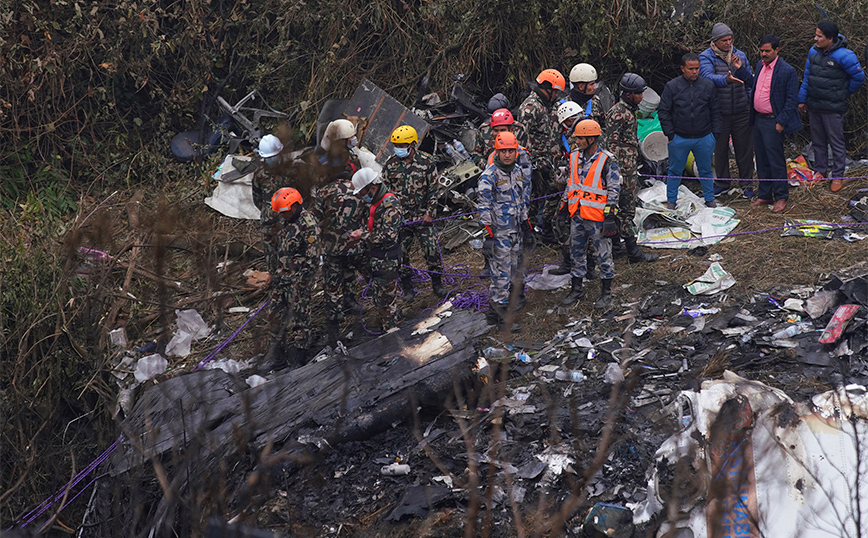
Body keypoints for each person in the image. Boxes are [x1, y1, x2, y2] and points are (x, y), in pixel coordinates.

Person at [559, 120, 620, 311]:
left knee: (603, 254)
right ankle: (577, 289)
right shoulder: (574, 156)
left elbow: (614, 189)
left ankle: (606, 293)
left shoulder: (607, 160)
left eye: (580, 138)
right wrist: (562, 208)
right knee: (576, 251)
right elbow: (571, 183)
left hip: (597, 217)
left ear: (592, 138)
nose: (577, 141)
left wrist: (610, 216)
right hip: (577, 213)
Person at [798, 20, 865, 191]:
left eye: (819, 36)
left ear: (830, 38)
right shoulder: (813, 52)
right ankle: (820, 171)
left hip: (834, 109)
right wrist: (802, 99)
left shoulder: (845, 55)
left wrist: (841, 93)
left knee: (836, 143)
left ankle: (837, 175)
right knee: (818, 142)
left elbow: (858, 78)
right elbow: (807, 77)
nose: (815, 39)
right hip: (815, 106)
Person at [477, 131, 533, 332]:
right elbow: (483, 206)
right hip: (499, 233)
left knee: (512, 271)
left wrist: (527, 226)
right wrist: (488, 235)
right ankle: (502, 320)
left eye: (511, 151)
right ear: (497, 152)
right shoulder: (489, 175)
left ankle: (493, 313)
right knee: (500, 275)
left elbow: (520, 199)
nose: (507, 155)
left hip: (515, 230)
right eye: (503, 151)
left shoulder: (517, 171)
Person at [381, 125, 445, 299]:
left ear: (413, 145)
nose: (399, 149)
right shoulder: (389, 165)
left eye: (403, 146)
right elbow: (386, 193)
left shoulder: (426, 161)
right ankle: (407, 287)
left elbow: (434, 189)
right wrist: (393, 216)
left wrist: (430, 213)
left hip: (423, 215)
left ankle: (437, 283)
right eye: (397, 146)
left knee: (431, 251)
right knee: (400, 254)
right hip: (402, 219)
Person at [603, 73, 658, 263]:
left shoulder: (628, 111)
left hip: (629, 167)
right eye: (638, 94)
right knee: (626, 210)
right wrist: (614, 171)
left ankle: (617, 246)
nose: (642, 97)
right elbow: (611, 144)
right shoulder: (618, 113)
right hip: (622, 171)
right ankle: (632, 251)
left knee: (625, 208)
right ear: (628, 94)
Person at [263, 188, 321, 369]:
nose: (283, 215)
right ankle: (277, 358)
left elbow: (312, 259)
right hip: (281, 279)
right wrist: (273, 273)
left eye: (285, 211)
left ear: (295, 206)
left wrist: (301, 282)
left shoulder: (308, 224)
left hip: (298, 281)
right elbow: (277, 250)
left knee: (300, 319)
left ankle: (299, 357)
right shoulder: (284, 223)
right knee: (273, 315)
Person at [310, 169, 366, 346]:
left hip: (333, 249)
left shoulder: (323, 193)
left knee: (332, 289)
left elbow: (315, 221)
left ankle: (334, 332)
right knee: (368, 276)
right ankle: (385, 315)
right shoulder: (358, 188)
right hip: (356, 245)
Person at [699, 22, 755, 198]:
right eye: (724, 40)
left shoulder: (740, 56)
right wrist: (726, 79)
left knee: (744, 148)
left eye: (730, 39)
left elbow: (749, 79)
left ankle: (747, 184)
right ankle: (722, 182)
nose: (728, 43)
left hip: (740, 110)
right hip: (719, 112)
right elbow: (707, 77)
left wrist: (749, 101)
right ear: (715, 41)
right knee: (720, 149)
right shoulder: (706, 57)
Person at [658, 52, 721, 209]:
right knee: (674, 171)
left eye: (697, 68)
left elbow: (716, 110)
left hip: (704, 136)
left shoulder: (708, 85)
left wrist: (715, 134)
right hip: (679, 137)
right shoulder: (672, 86)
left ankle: (709, 198)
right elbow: (663, 111)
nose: (694, 72)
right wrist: (670, 134)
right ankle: (671, 200)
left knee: (706, 170)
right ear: (682, 68)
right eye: (691, 69)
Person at [750, 35, 802, 213]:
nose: (763, 54)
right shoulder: (759, 66)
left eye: (767, 51)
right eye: (761, 50)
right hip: (758, 119)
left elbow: (790, 100)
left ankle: (781, 196)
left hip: (773, 122)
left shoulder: (787, 71)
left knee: (776, 160)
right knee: (761, 159)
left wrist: (781, 122)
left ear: (777, 50)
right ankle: (765, 194)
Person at [349, 169, 403, 332]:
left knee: (386, 302)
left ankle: (392, 334)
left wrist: (363, 235)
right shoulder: (373, 203)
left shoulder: (390, 204)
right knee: (380, 299)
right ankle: (389, 322)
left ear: (372, 188)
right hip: (376, 259)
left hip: (387, 260)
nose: (361, 196)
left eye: (363, 192)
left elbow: (389, 235)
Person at [518, 69, 566, 241]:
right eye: (556, 91)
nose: (558, 95)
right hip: (535, 163)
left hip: (550, 160)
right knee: (533, 199)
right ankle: (528, 234)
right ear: (547, 88)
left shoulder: (549, 106)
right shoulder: (530, 108)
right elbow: (521, 139)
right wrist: (533, 163)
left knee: (553, 192)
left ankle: (545, 229)